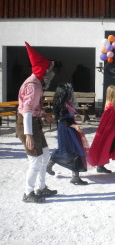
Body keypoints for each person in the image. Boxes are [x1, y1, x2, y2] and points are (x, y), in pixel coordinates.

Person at [16, 42, 59, 203]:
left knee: (45, 155)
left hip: (34, 123)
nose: (52, 73)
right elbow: (26, 111)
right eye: (50, 70)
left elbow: (33, 108)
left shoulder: (37, 84)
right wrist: (28, 134)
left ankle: (41, 187)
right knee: (35, 161)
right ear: (43, 71)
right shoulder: (33, 86)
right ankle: (28, 193)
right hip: (27, 125)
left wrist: (45, 115)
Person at [46, 83, 91, 185]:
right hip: (66, 130)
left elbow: (69, 115)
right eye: (69, 92)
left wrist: (76, 117)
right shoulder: (62, 105)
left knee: (70, 149)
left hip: (69, 128)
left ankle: (50, 165)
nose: (71, 94)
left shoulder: (66, 103)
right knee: (72, 150)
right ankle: (75, 177)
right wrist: (74, 126)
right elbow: (62, 119)